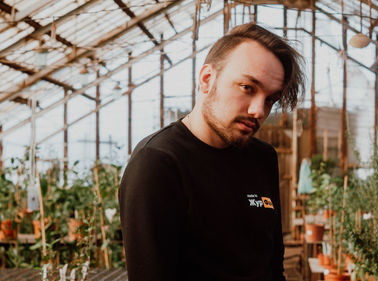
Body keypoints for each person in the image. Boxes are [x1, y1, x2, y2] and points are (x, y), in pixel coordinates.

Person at [119, 23, 304, 281]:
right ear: (207, 80)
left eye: (270, 99)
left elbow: (273, 267)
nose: (259, 111)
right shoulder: (158, 162)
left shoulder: (263, 158)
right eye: (247, 88)